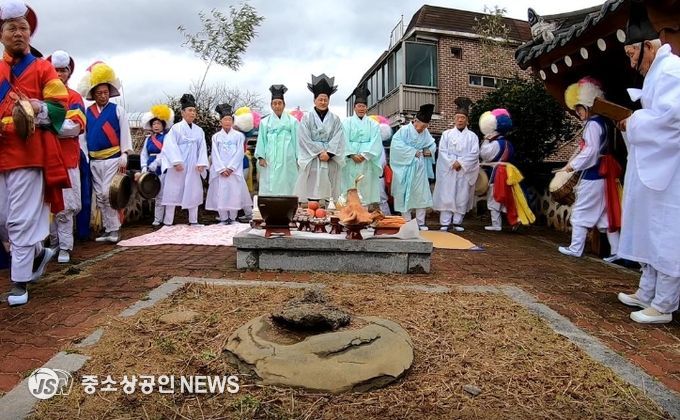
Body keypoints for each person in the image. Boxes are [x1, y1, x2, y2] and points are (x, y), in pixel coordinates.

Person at [0, 1, 69, 305]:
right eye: (12, 28)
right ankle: (38, 253)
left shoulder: (43, 68)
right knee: (4, 220)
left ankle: (20, 281)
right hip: (1, 153)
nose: (18, 33)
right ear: (1, 34)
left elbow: (60, 107)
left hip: (29, 154)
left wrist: (38, 107)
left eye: (23, 28)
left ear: (30, 33)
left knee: (20, 220)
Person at [616, 4, 680, 324]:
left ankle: (664, 304)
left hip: (672, 170)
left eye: (632, 55)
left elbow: (672, 119)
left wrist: (635, 122)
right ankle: (647, 292)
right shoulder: (658, 73)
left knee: (666, 231)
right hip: (657, 167)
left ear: (648, 47)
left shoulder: (671, 71)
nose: (632, 63)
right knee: (649, 228)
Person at [558, 77, 621, 261]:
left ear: (588, 105)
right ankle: (617, 251)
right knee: (604, 216)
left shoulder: (593, 124)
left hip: (593, 175)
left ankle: (575, 248)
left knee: (580, 211)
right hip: (603, 174)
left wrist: (572, 165)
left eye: (579, 108)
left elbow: (591, 151)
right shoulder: (603, 122)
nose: (577, 112)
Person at [79, 61, 132, 243]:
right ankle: (108, 229)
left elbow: (125, 132)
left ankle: (115, 229)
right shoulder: (87, 112)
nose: (103, 96)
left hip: (113, 159)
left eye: (106, 92)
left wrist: (125, 153)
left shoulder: (118, 110)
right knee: (100, 196)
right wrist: (85, 156)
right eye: (99, 93)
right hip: (94, 160)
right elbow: (83, 137)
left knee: (108, 193)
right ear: (93, 94)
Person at [46, 50, 86, 263]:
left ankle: (65, 246)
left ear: (68, 73)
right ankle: (53, 244)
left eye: (63, 70)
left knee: (66, 205)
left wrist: (47, 126)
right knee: (47, 205)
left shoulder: (74, 97)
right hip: (44, 158)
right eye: (55, 70)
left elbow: (75, 127)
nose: (59, 74)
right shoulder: (41, 96)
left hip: (67, 159)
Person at [295, 74, 346, 204]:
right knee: (312, 186)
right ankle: (313, 210)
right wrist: (319, 152)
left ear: (329, 100)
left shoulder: (335, 119)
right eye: (320, 99)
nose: (323, 102)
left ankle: (329, 210)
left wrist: (329, 153)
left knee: (330, 185)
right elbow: (304, 138)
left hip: (330, 158)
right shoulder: (306, 118)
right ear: (314, 100)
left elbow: (339, 137)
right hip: (313, 158)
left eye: (325, 100)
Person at [160, 94, 208, 226]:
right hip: (179, 166)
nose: (192, 113)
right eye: (190, 110)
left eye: (194, 111)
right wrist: (176, 162)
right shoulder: (176, 128)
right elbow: (169, 146)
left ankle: (194, 220)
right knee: (173, 191)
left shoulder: (199, 130)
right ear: (182, 112)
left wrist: (201, 163)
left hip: (193, 165)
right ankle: (168, 221)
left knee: (193, 191)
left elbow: (202, 148)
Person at [432, 97, 479, 232]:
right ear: (454, 119)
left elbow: (475, 153)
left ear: (467, 120)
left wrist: (461, 162)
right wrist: (453, 163)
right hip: (450, 170)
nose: (460, 120)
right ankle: (445, 222)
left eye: (462, 118)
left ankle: (457, 222)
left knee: (462, 196)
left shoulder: (472, 136)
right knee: (447, 195)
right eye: (458, 117)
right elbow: (442, 151)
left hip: (464, 171)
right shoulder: (446, 134)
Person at [389, 104, 437, 230]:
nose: (423, 129)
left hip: (420, 167)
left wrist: (429, 151)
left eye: (425, 126)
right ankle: (406, 221)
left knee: (421, 194)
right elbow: (396, 146)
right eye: (422, 126)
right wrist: (412, 152)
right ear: (415, 121)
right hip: (404, 168)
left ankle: (420, 222)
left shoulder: (425, 132)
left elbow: (432, 144)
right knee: (404, 193)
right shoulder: (404, 131)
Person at [206, 104, 253, 224]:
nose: (227, 122)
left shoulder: (239, 136)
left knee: (234, 193)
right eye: (225, 119)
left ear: (232, 121)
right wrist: (221, 169)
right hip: (220, 171)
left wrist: (231, 168)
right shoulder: (216, 137)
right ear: (220, 122)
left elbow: (239, 153)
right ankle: (223, 217)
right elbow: (215, 154)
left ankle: (232, 217)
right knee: (220, 193)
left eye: (229, 119)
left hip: (234, 171)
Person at [341, 85, 383, 206]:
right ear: (354, 107)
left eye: (363, 106)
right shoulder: (346, 123)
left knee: (365, 189)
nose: (361, 108)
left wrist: (364, 155)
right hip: (350, 161)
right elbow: (343, 139)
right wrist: (352, 154)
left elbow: (376, 142)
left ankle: (363, 212)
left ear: (367, 108)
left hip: (366, 162)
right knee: (349, 188)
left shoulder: (373, 124)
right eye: (359, 106)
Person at [255, 84, 298, 196]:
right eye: (275, 103)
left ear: (284, 105)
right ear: (271, 105)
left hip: (287, 157)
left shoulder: (292, 121)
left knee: (288, 183)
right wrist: (261, 157)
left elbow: (297, 141)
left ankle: (288, 205)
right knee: (269, 182)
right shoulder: (265, 122)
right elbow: (261, 140)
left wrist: (298, 158)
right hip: (270, 157)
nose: (277, 106)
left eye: (279, 103)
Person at [140, 104, 174, 226]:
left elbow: (166, 152)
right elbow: (144, 153)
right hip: (150, 168)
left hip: (162, 168)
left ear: (163, 125)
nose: (156, 126)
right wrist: (144, 166)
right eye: (154, 124)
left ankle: (160, 219)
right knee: (153, 193)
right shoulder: (148, 139)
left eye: (158, 124)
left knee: (161, 193)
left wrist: (157, 162)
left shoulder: (167, 138)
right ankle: (157, 217)